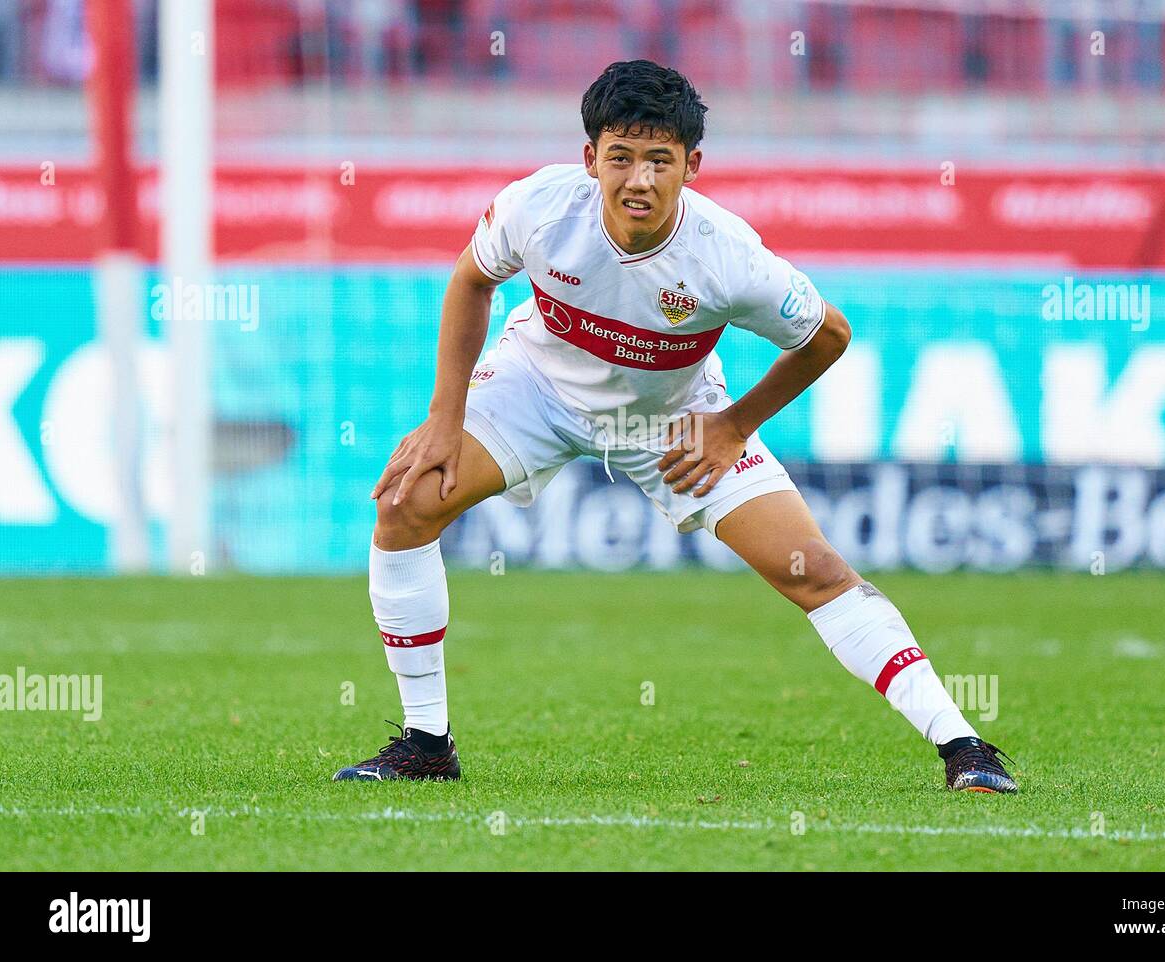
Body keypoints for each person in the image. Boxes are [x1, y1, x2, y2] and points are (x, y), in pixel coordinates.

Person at [334, 60, 1017, 794]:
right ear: (590, 158)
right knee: (405, 504)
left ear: (692, 166)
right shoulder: (537, 208)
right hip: (536, 386)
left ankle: (965, 748)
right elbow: (471, 279)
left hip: (672, 421)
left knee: (811, 570)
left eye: (659, 160)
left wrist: (732, 426)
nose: (639, 179)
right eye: (620, 156)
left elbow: (827, 336)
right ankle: (427, 744)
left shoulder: (729, 257)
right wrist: (447, 416)